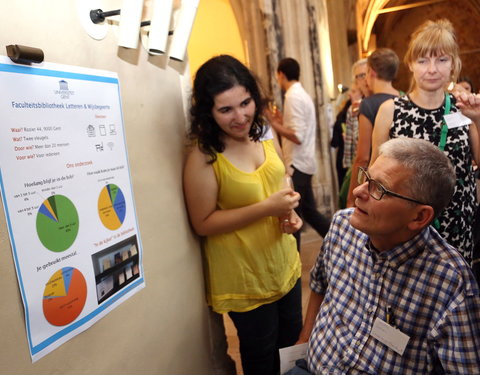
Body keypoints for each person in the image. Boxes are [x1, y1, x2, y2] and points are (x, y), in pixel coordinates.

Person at [294, 137, 480, 374]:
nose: (358, 191)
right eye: (366, 177)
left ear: (419, 217)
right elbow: (320, 284)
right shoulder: (343, 226)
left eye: (378, 189)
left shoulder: (450, 281)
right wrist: (304, 341)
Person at [183, 55, 303, 375]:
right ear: (208, 112)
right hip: (246, 279)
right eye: (226, 109)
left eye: (246, 102)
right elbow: (203, 222)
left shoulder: (261, 131)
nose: (240, 116)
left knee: (292, 349)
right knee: (261, 358)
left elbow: (281, 180)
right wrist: (267, 208)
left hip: (285, 265)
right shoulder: (205, 156)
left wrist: (290, 214)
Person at [371, 19, 479, 264]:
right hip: (405, 225)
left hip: (457, 226)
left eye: (442, 60)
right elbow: (375, 172)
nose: (432, 69)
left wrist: (478, 120)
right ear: (410, 64)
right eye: (423, 60)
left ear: (453, 64)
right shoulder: (390, 110)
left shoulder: (464, 109)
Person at [266, 57, 330, 249]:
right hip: (304, 161)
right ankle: (339, 239)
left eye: (278, 76)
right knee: (308, 212)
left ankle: (296, 264)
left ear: (281, 74)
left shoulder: (292, 96)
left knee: (296, 216)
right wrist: (280, 122)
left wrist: (272, 123)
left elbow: (297, 135)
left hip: (298, 163)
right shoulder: (302, 94)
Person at [346, 48, 401, 207]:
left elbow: (362, 157)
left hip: (376, 179)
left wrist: (351, 199)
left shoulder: (368, 104)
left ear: (372, 72)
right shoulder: (404, 100)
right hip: (397, 177)